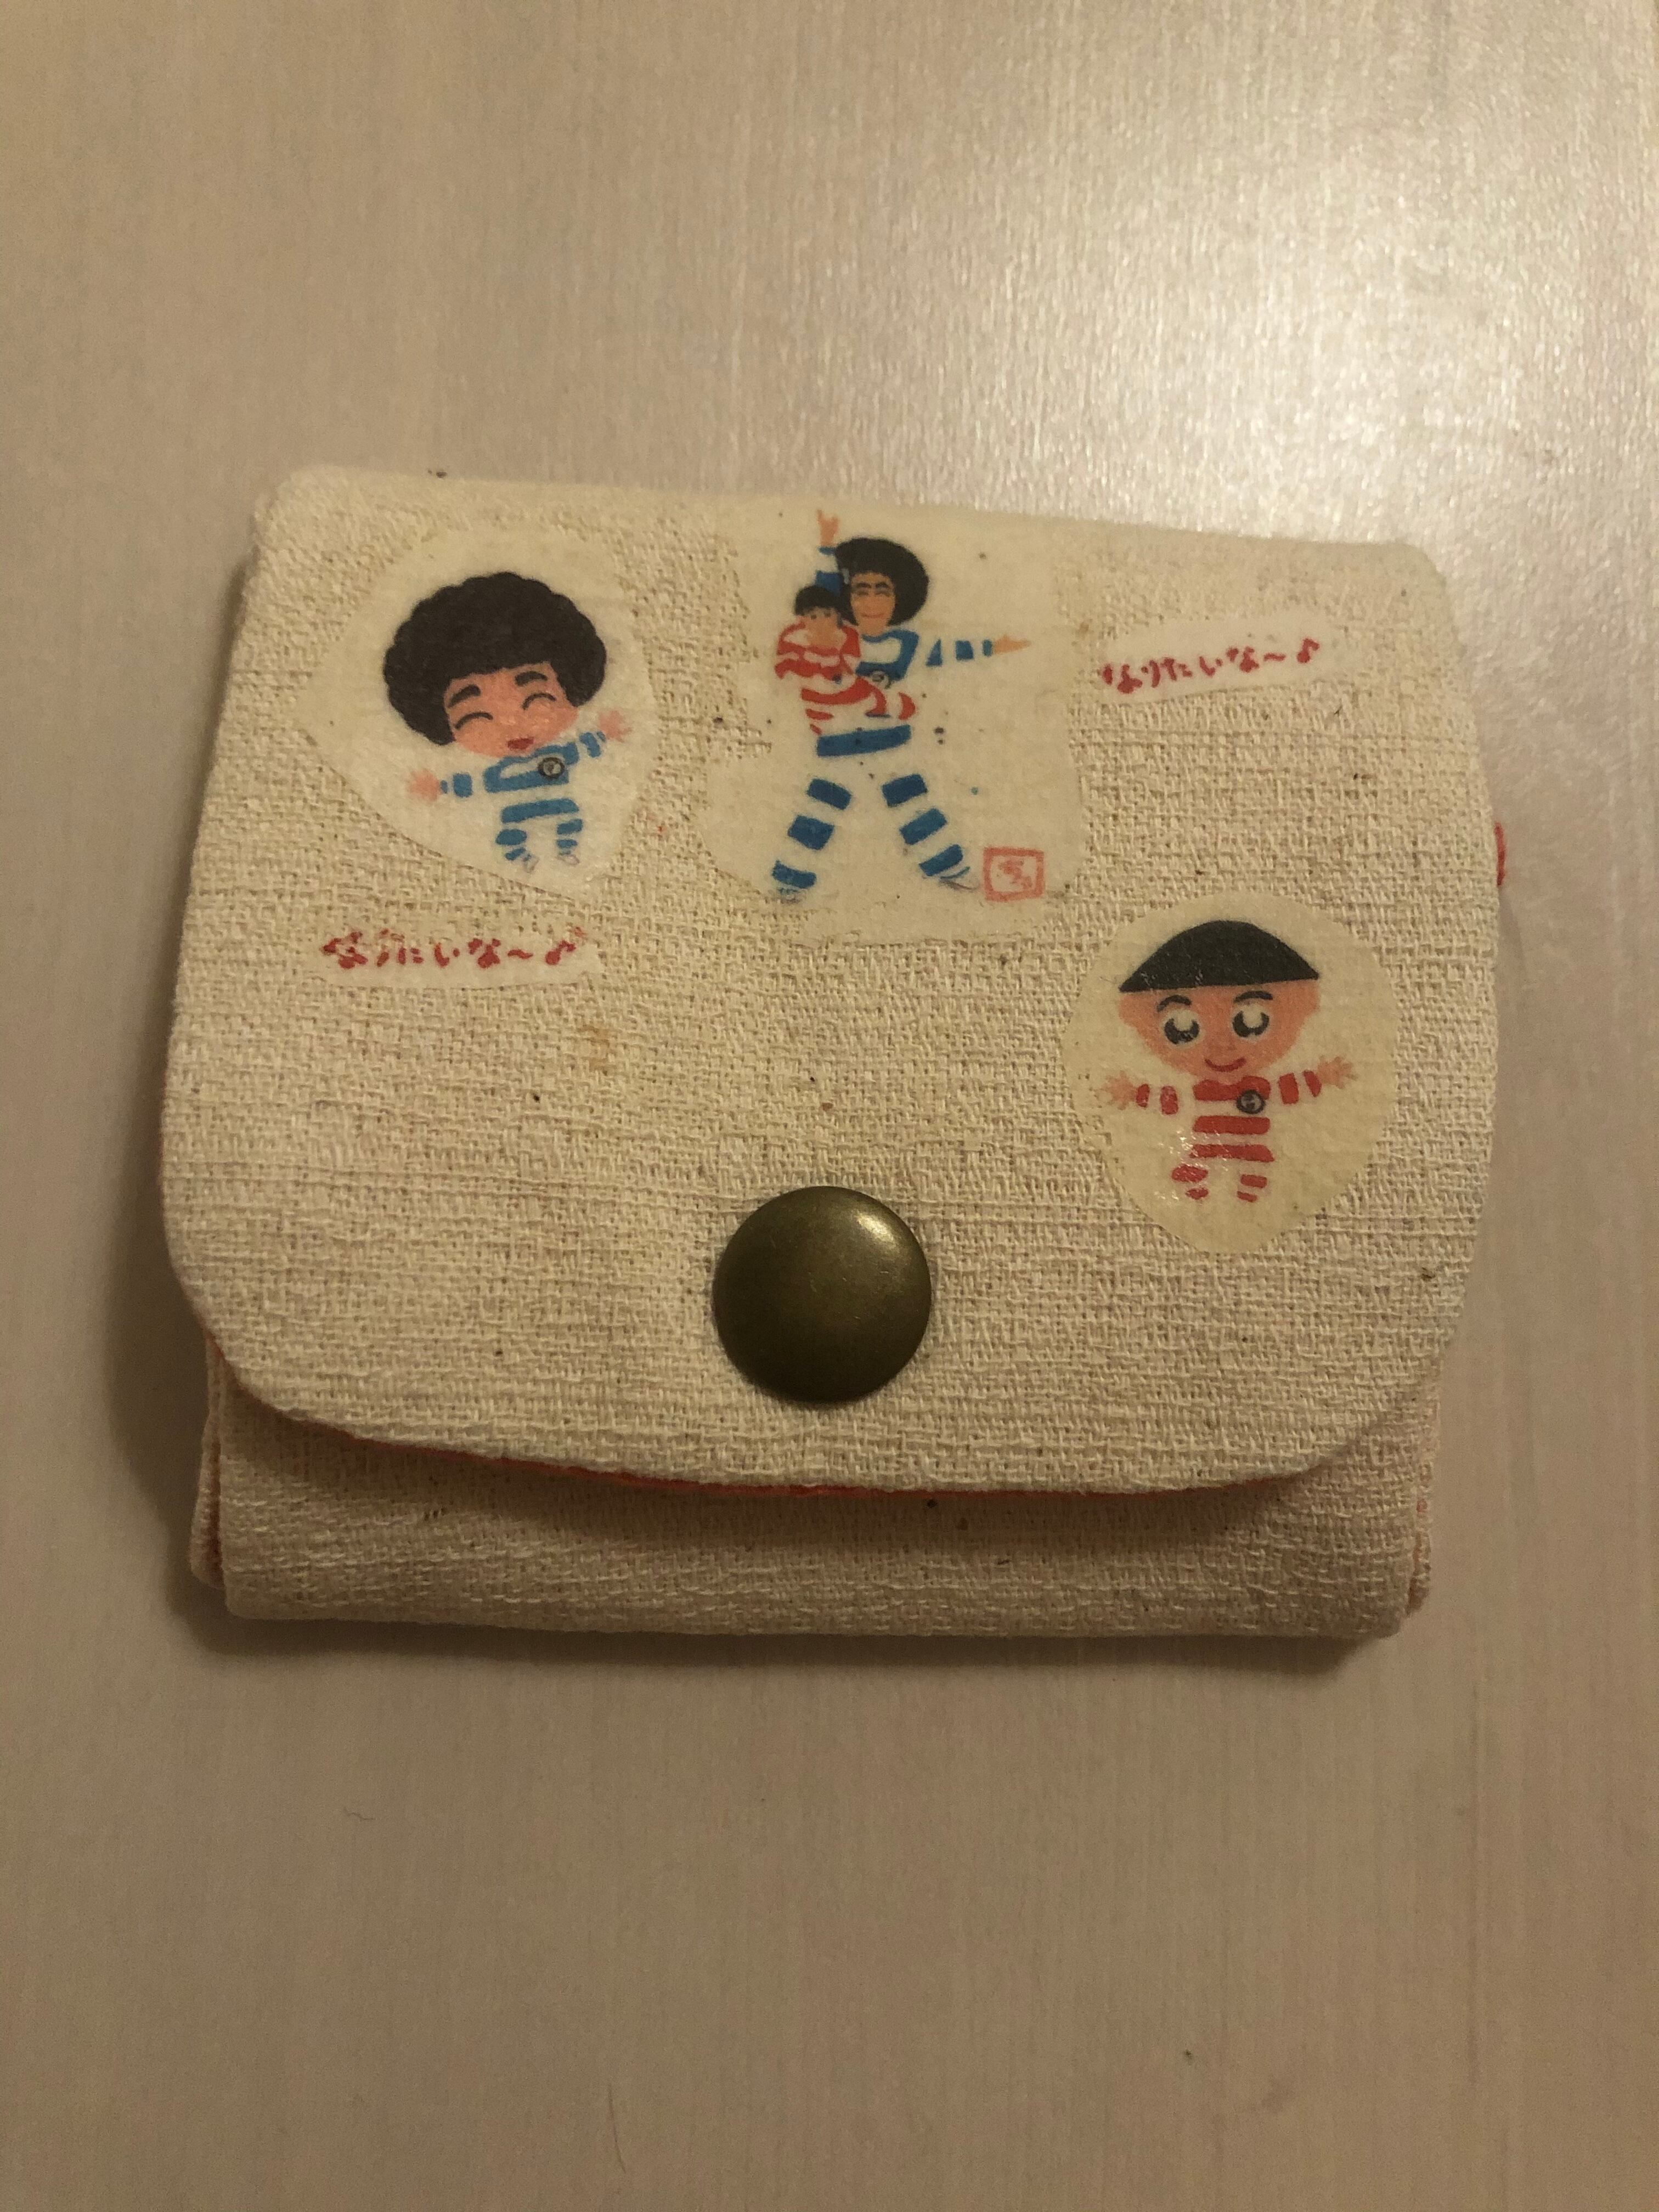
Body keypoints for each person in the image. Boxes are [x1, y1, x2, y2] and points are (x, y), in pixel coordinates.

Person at [770, 512, 1029, 895]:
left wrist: (995, 647)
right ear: (846, 599)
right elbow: (823, 587)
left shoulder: (907, 645)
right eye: (860, 591)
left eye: (882, 591)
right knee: (819, 809)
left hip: (890, 744)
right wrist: (826, 544)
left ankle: (950, 868)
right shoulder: (840, 638)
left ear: (899, 598)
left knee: (915, 807)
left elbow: (947, 650)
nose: (871, 602)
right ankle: (788, 881)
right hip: (838, 747)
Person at [383, 571, 627, 872]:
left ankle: (566, 849)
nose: (512, 724)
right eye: (477, 716)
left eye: (535, 699)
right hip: (516, 816)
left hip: (561, 809)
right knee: (512, 832)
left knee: (569, 818)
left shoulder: (560, 756)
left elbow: (582, 749)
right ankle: (521, 856)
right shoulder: (498, 776)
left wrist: (605, 734)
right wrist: (439, 788)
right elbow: (472, 785)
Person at [1100, 919, 1353, 1205]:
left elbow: (1287, 1089)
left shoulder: (1259, 1088)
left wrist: (1321, 1077)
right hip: (1206, 1147)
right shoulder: (1201, 1093)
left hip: (1252, 1148)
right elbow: (1173, 1100)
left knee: (1253, 1169)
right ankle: (1204, 1189)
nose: (1221, 1047)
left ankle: (1252, 1187)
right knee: (1197, 1166)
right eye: (1183, 1030)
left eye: (1251, 1022)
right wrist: (1134, 1093)